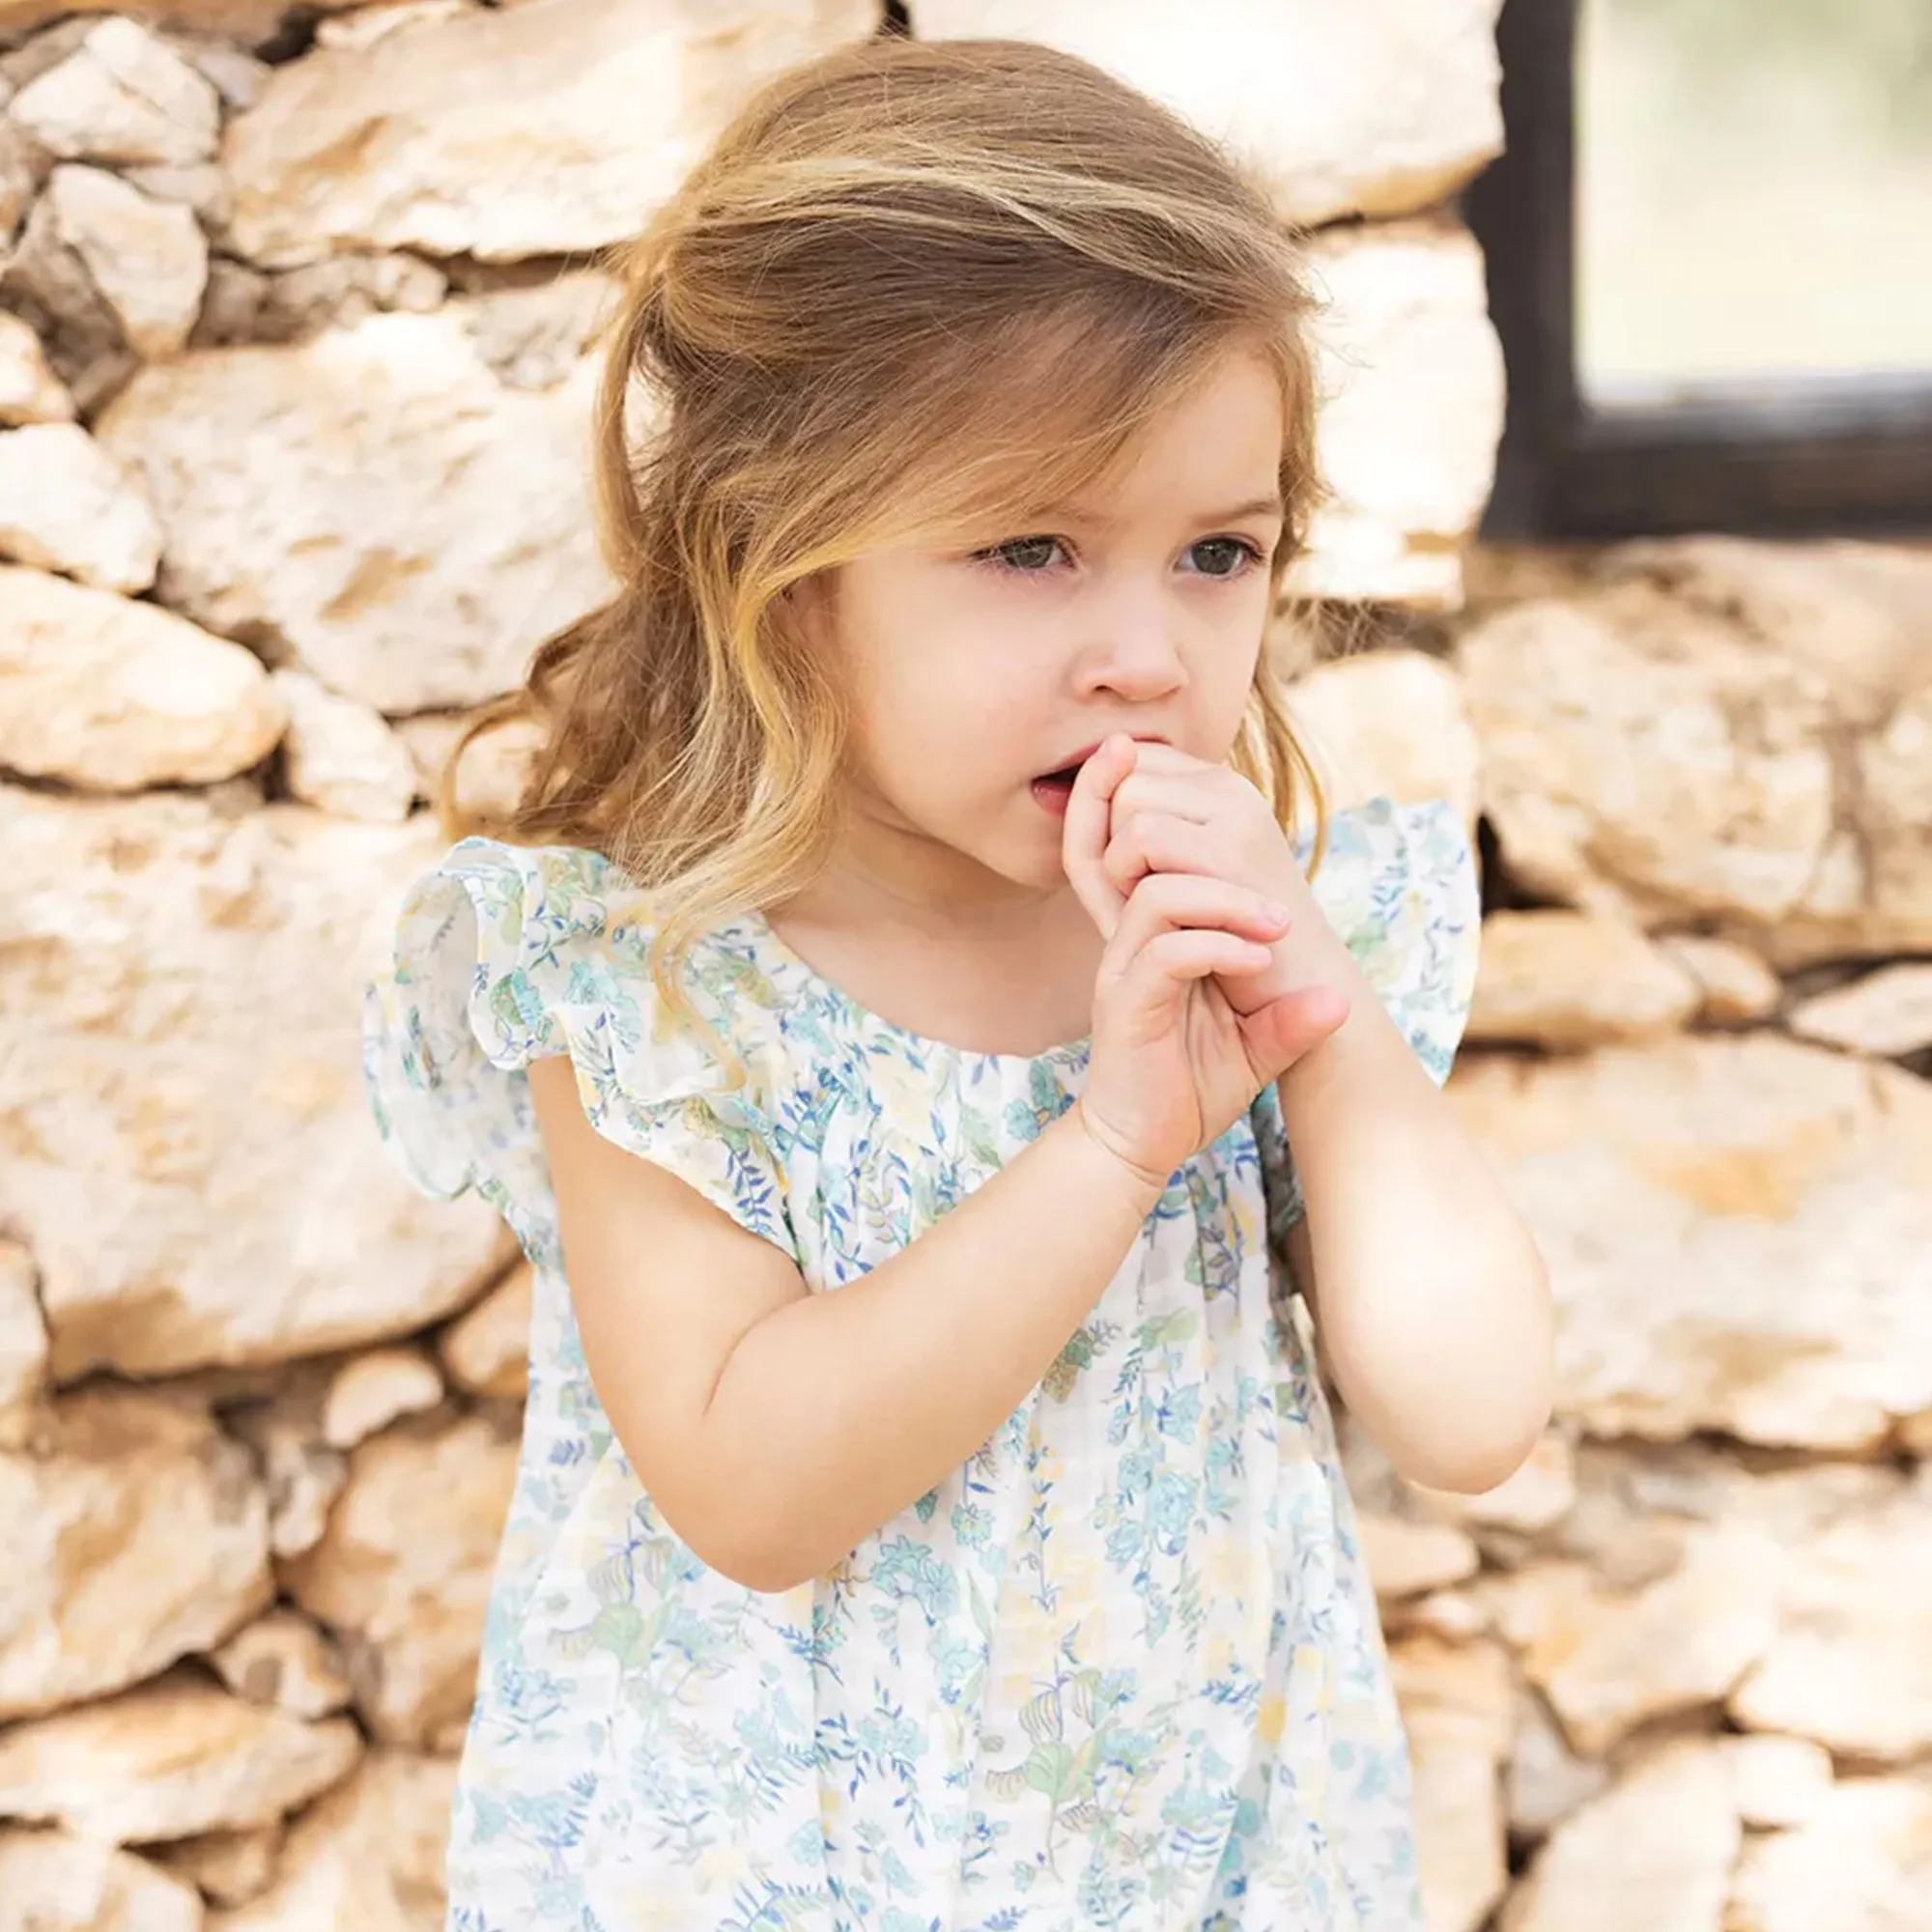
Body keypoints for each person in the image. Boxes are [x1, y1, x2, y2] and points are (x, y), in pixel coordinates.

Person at [363, 30, 1552, 1932]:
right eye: (1029, 547)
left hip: (1211, 1873)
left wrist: (1315, 1019)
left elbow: (1474, 1408)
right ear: (778, 566)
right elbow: (753, 1482)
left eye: (1214, 553)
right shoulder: (652, 985)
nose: (1148, 655)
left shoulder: (1251, 948)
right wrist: (1103, 1148)